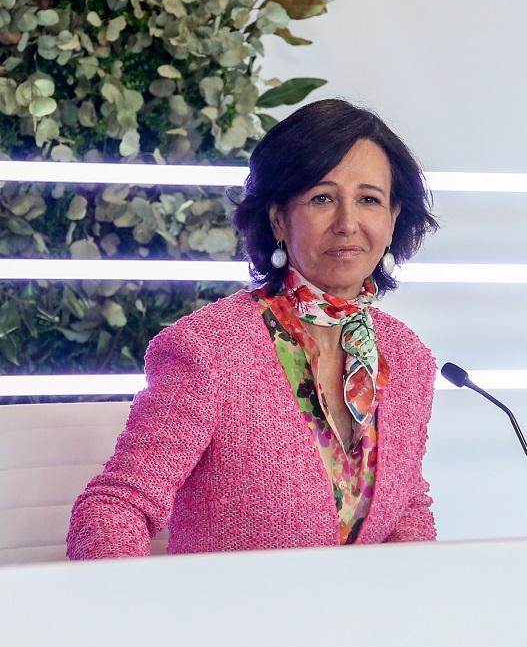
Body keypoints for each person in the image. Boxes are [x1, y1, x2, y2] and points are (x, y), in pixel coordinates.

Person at [66, 99, 440, 558]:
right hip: (230, 623)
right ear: (278, 218)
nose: (348, 223)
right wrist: (137, 620)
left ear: (393, 217)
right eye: (322, 198)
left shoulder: (407, 357)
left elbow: (404, 512)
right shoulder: (209, 349)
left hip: (361, 626)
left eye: (369, 199)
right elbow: (114, 507)